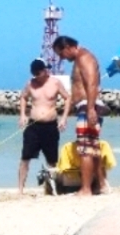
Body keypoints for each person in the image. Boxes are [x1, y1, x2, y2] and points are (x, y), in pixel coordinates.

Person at [52, 35, 107, 196]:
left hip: (88, 106)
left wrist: (90, 109)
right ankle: (100, 185)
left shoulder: (84, 57)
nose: (61, 58)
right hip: (85, 106)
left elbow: (92, 83)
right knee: (92, 147)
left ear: (68, 47)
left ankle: (86, 189)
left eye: (61, 54)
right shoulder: (80, 59)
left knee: (85, 150)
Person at [17, 59, 70, 194]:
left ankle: (51, 188)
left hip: (50, 126)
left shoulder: (55, 83)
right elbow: (23, 97)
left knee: (52, 160)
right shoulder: (31, 83)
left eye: (38, 73)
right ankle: (20, 189)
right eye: (34, 74)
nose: (36, 77)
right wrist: (22, 115)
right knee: (25, 157)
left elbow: (67, 98)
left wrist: (64, 118)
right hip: (33, 126)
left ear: (45, 71)